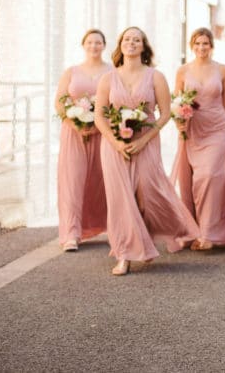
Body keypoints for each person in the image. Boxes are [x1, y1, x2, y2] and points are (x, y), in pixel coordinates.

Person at [94, 27, 200, 276]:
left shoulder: (156, 77)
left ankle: (152, 235)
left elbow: (164, 114)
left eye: (137, 40)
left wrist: (144, 141)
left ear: (144, 47)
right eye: (127, 39)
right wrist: (116, 142)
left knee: (147, 193)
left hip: (146, 142)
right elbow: (99, 115)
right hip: (114, 145)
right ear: (120, 45)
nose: (131, 43)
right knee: (121, 198)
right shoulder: (108, 79)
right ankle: (124, 254)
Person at [171, 28, 225, 250]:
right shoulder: (183, 71)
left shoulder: (223, 70)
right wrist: (178, 122)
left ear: (212, 46)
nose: (202, 48)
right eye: (197, 44)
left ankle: (208, 234)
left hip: (218, 127)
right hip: (193, 128)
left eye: (205, 43)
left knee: (211, 176)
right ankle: (196, 228)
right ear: (192, 46)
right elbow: (176, 102)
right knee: (194, 181)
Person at [53, 29, 111, 251]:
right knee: (72, 181)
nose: (93, 46)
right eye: (89, 42)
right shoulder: (72, 72)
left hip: (102, 133)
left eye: (98, 42)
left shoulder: (111, 71)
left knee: (102, 181)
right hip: (73, 133)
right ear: (83, 45)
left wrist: (97, 124)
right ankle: (71, 234)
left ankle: (108, 225)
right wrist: (76, 121)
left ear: (104, 46)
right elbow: (60, 102)